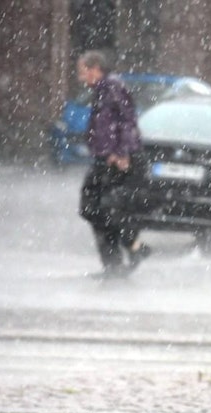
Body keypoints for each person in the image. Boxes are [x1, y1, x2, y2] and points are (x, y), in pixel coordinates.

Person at [76, 50, 150, 277]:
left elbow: (127, 121)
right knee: (91, 208)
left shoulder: (112, 87)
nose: (81, 78)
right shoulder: (100, 91)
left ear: (95, 68)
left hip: (118, 160)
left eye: (82, 72)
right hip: (104, 158)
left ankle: (129, 250)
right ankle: (117, 260)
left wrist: (122, 153)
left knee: (107, 207)